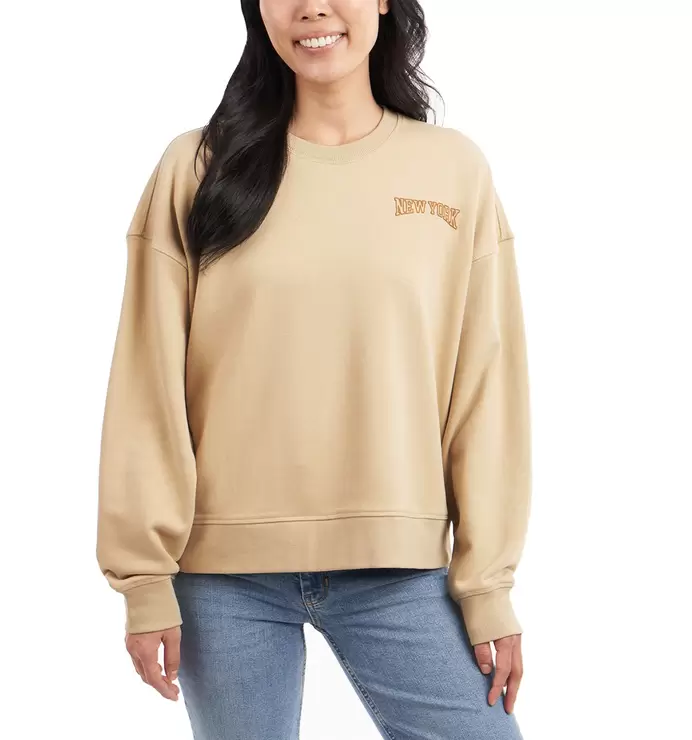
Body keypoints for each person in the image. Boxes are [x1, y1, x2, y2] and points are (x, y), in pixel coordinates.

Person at [95, 1, 532, 738]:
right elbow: (147, 381)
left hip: (399, 569)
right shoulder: (196, 167)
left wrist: (487, 585)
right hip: (222, 579)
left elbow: (486, 389)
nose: (312, 7)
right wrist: (143, 580)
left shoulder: (453, 170)